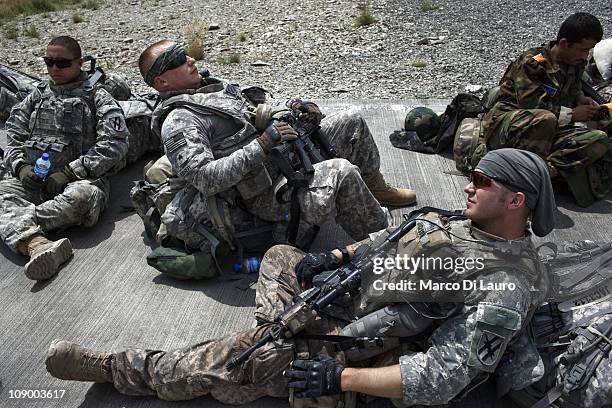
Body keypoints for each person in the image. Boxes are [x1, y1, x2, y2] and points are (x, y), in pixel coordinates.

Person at [46, 148, 559, 406]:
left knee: (237, 360)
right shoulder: (464, 222)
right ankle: (273, 344)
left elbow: (444, 376)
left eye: (483, 181)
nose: (469, 187)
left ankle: (117, 368)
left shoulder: (504, 283)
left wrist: (341, 376)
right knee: (282, 256)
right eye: (471, 177)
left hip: (363, 349)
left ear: (517, 200)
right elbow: (392, 239)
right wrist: (337, 256)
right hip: (347, 299)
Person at [130, 39, 416, 257]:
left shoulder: (213, 88)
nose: (191, 59)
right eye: (178, 60)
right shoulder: (180, 120)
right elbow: (206, 179)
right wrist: (262, 145)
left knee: (351, 121)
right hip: (261, 196)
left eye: (186, 53)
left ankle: (374, 185)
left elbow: (261, 101)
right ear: (162, 81)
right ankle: (388, 246)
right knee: (340, 172)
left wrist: (295, 107)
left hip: (284, 159)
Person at [0, 36, 129, 280]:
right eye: (49, 62)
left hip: (77, 180)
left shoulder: (97, 97)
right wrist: (20, 167)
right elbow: (14, 134)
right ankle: (38, 245)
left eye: (62, 63)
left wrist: (71, 172)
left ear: (79, 63)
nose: (54, 69)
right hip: (34, 177)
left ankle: (16, 223)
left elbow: (116, 143)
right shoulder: (37, 95)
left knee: (82, 199)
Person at [482, 12, 612, 207]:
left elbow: (573, 88)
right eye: (583, 50)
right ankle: (528, 180)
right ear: (564, 43)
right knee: (546, 119)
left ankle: (546, 172)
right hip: (509, 125)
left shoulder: (575, 62)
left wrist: (582, 100)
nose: (586, 56)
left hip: (548, 130)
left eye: (589, 50)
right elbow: (531, 106)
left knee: (600, 139)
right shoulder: (533, 63)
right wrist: (572, 115)